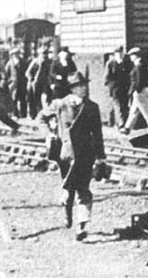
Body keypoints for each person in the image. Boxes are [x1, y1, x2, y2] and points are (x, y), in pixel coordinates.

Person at [37, 71, 107, 241]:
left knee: (83, 189)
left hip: (85, 154)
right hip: (65, 154)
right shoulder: (60, 104)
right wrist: (48, 135)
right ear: (73, 89)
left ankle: (81, 225)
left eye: (85, 85)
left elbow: (97, 134)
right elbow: (40, 118)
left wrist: (101, 157)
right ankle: (67, 215)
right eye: (80, 86)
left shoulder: (92, 107)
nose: (84, 89)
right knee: (68, 187)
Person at [123, 47, 148, 134]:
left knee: (146, 111)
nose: (130, 57)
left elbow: (139, 80)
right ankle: (127, 127)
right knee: (134, 110)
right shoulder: (139, 64)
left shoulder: (139, 66)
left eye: (132, 55)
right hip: (140, 91)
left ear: (136, 56)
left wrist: (136, 91)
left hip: (140, 92)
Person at [104, 46, 132, 130]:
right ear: (115, 55)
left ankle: (113, 122)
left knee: (123, 105)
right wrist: (111, 87)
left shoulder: (126, 63)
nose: (120, 55)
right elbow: (107, 77)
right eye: (118, 54)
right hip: (115, 89)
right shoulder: (110, 63)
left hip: (124, 89)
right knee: (118, 105)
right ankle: (121, 124)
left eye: (121, 54)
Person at [26, 47, 54, 114]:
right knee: (35, 99)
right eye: (43, 53)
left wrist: (51, 81)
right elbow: (28, 72)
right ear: (40, 54)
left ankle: (47, 112)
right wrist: (31, 79)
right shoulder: (36, 61)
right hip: (36, 82)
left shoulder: (49, 61)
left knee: (48, 97)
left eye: (46, 53)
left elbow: (50, 72)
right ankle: (37, 113)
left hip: (45, 82)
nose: (45, 55)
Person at [5, 48, 30, 118]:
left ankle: (23, 115)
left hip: (22, 84)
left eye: (17, 53)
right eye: (15, 54)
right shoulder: (10, 63)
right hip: (13, 84)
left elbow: (27, 71)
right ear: (12, 55)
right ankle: (15, 114)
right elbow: (6, 73)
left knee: (23, 99)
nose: (16, 55)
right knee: (13, 99)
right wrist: (8, 82)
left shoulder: (23, 62)